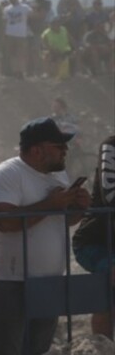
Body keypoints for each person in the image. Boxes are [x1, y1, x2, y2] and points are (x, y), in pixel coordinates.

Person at [0, 118, 91, 355]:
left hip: (48, 281)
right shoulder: (6, 174)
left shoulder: (56, 177)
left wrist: (78, 207)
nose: (65, 151)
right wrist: (50, 204)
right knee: (4, 353)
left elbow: (63, 219)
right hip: (10, 280)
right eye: (59, 146)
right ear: (39, 150)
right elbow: (4, 222)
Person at [72, 134, 114, 338]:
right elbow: (110, 195)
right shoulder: (111, 144)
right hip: (95, 240)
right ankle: (105, 353)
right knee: (107, 296)